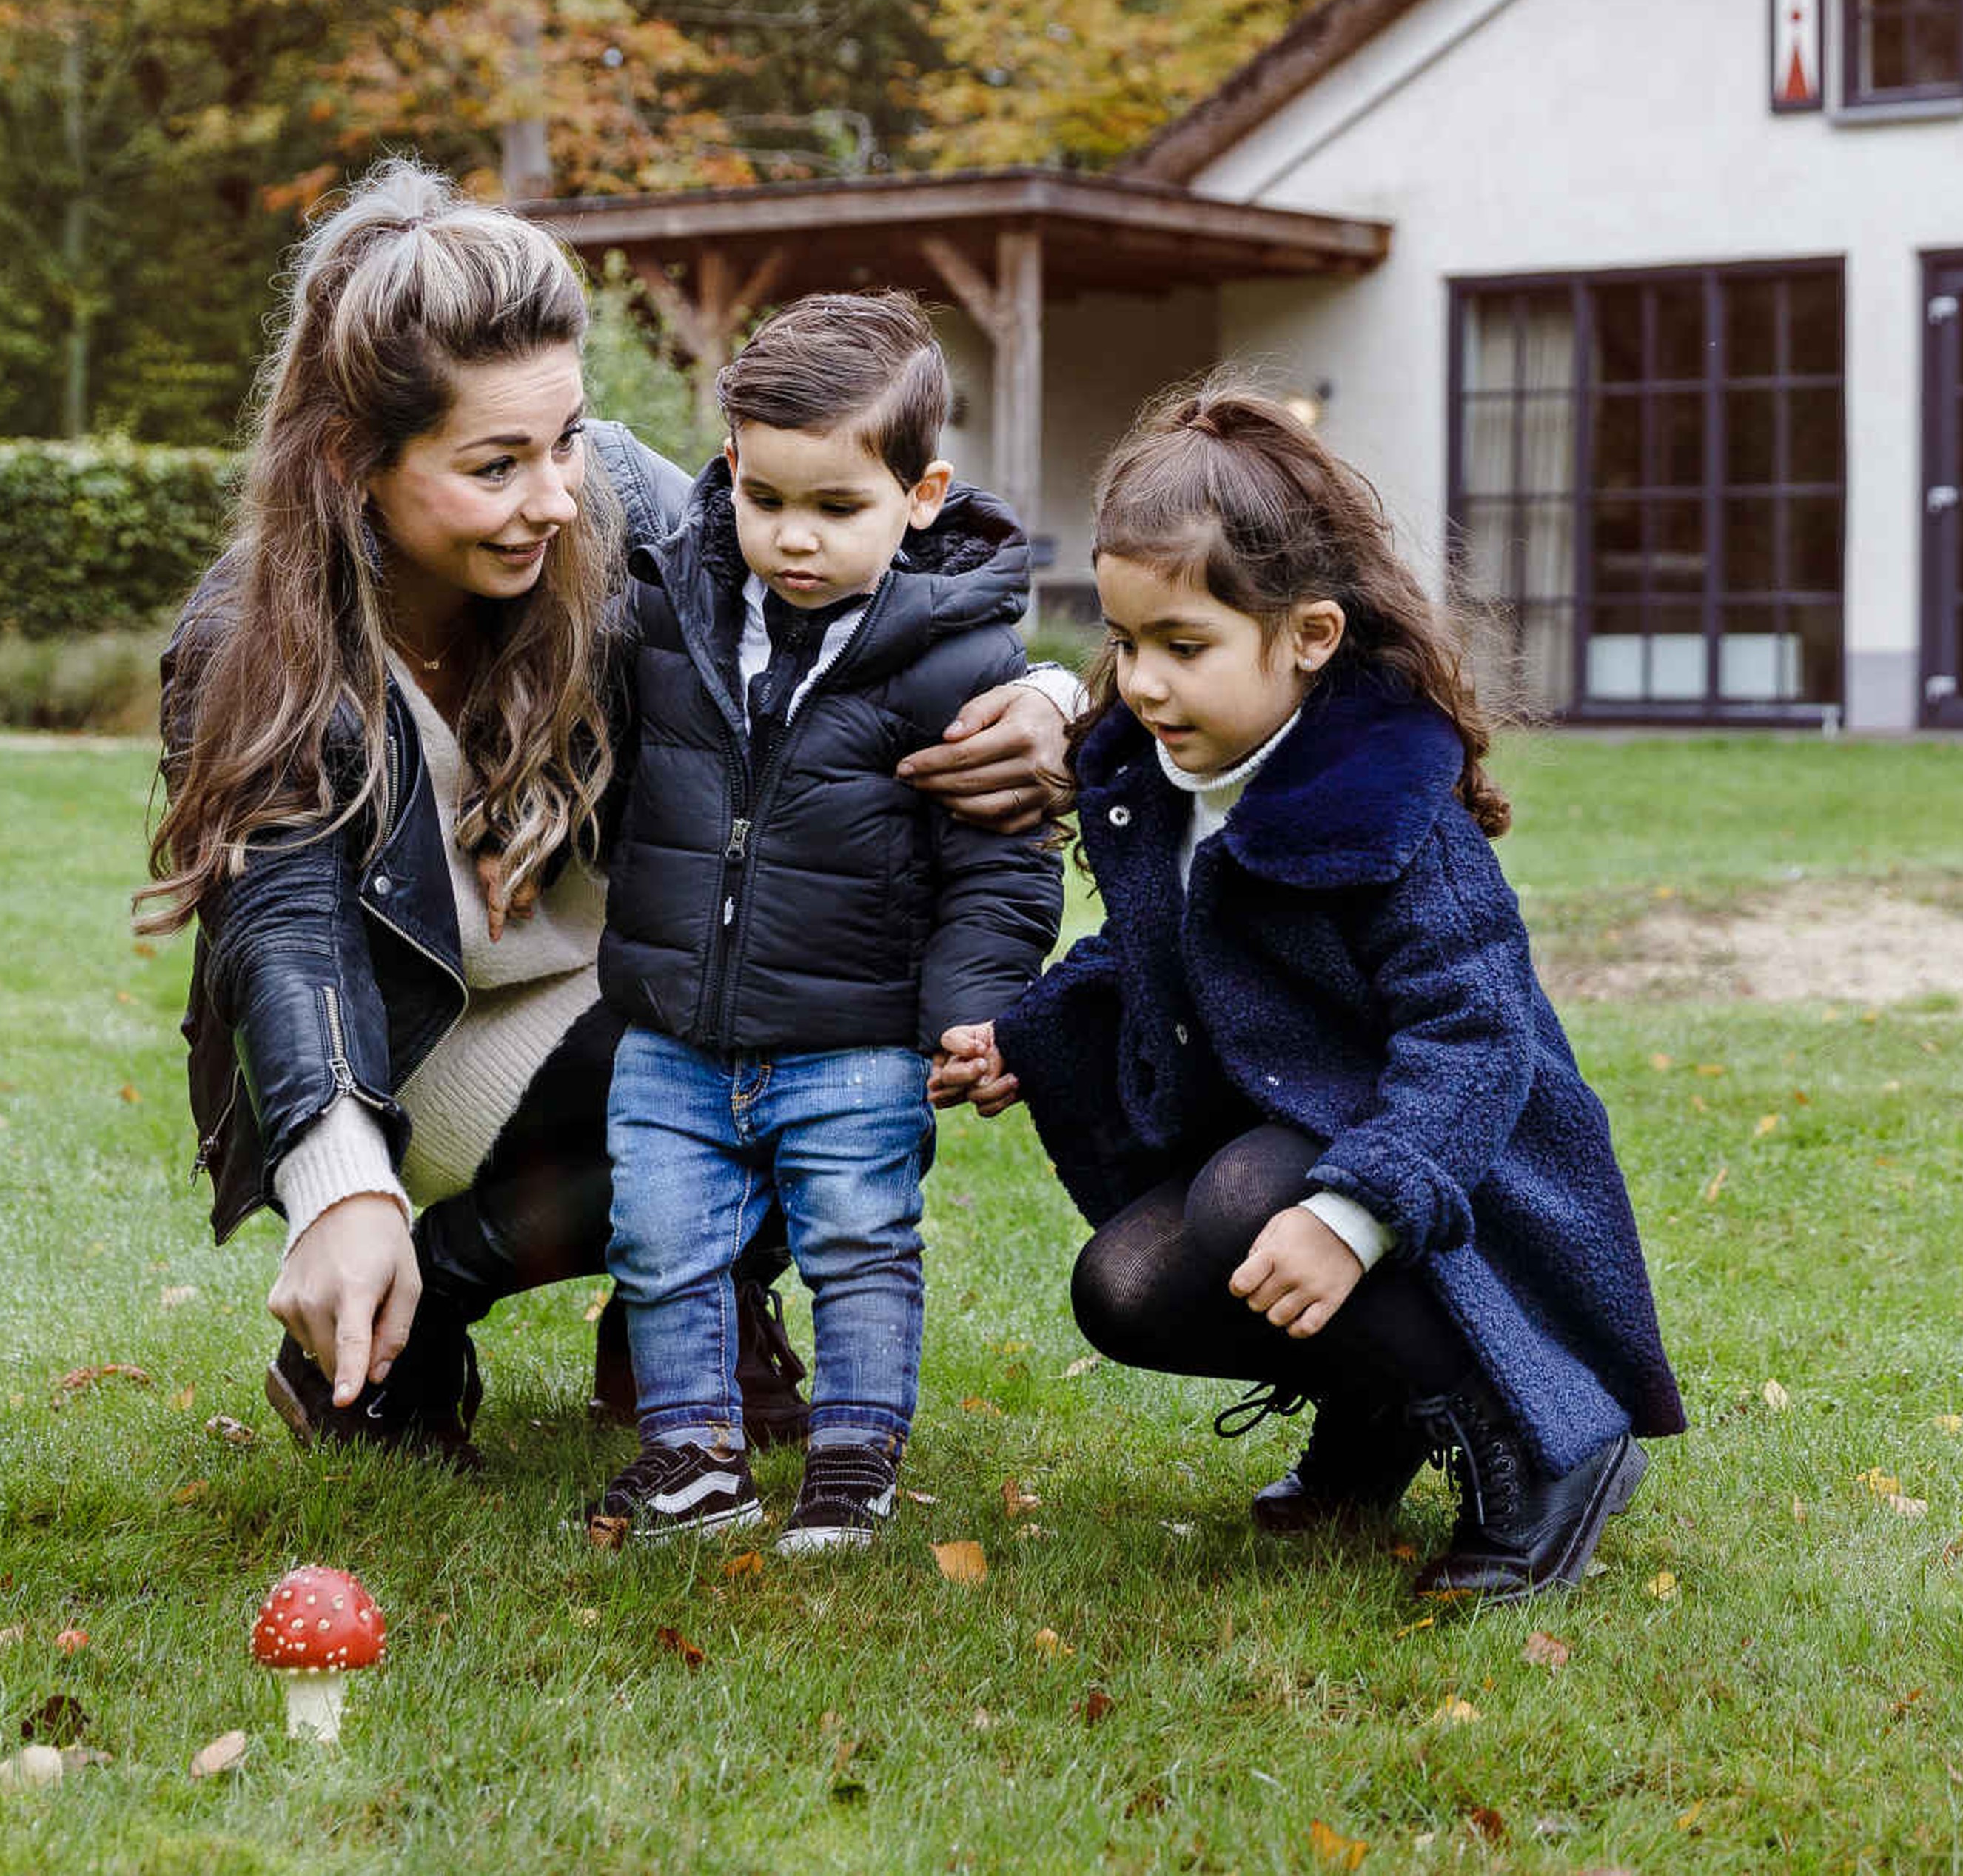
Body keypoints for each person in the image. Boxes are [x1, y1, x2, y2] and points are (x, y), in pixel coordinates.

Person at [150, 160, 1072, 1467]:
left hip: (620, 960)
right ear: (356, 461)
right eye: (495, 463)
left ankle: (680, 1314)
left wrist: (1049, 692)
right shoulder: (251, 638)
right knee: (727, 1041)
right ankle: (422, 1298)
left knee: (826, 1004)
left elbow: (884, 548)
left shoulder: (621, 502)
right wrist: (339, 1183)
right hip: (413, 1030)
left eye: (569, 436)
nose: (558, 497)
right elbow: (288, 930)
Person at [934, 381, 1683, 1599]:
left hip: (1469, 1167)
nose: (1148, 683)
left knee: (1247, 1199)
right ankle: (1377, 1412)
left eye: (1186, 647)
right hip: (1318, 1133)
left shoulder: (1388, 809)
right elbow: (1158, 946)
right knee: (1122, 1288)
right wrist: (1033, 1033)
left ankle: (1549, 1443)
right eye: (1126, 643)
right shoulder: (1161, 771)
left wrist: (1351, 1218)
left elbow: (1477, 1040)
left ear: (1311, 636)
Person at [591, 293, 1061, 1550]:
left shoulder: (958, 664)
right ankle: (691, 1453)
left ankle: (853, 1460)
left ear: (921, 493)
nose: (794, 539)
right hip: (675, 1028)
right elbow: (619, 786)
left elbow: (1004, 867)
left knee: (859, 1241)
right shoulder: (665, 616)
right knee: (659, 1237)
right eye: (768, 501)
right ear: (731, 468)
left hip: (856, 1033)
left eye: (837, 509)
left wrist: (971, 1007)